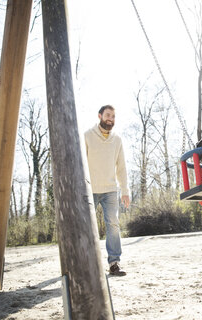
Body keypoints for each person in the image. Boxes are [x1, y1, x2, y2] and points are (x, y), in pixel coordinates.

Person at [85, 105, 130, 276]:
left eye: (113, 116)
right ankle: (88, 264)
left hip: (111, 190)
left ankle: (114, 263)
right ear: (100, 116)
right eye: (108, 115)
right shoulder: (87, 136)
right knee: (88, 227)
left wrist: (125, 190)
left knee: (113, 225)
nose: (110, 118)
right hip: (90, 189)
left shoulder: (117, 140)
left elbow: (122, 167)